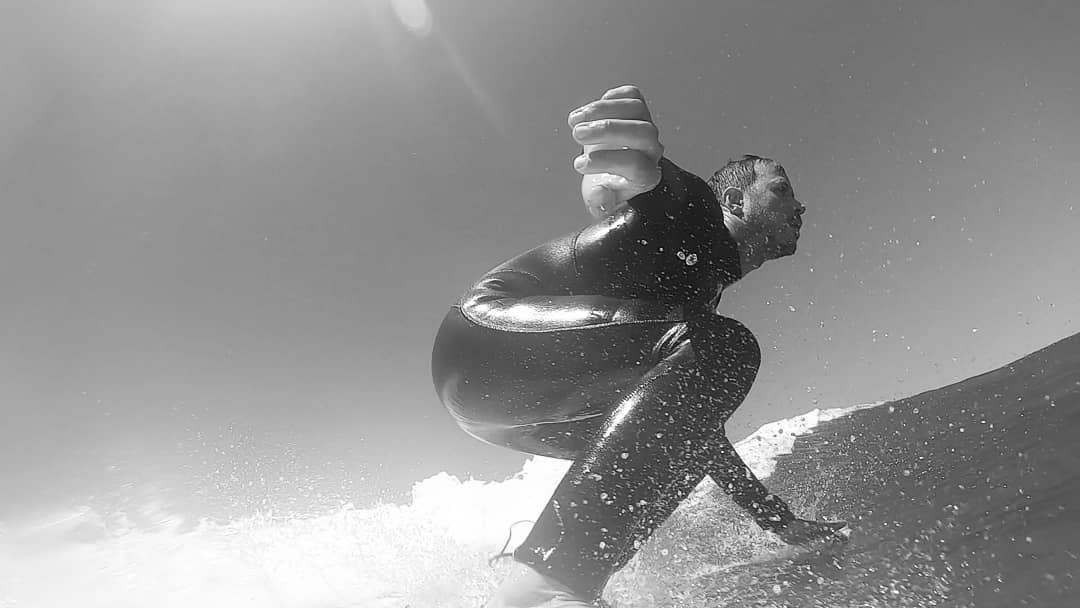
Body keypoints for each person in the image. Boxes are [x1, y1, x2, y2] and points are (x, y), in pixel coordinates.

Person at [431, 85, 847, 607]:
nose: (799, 205)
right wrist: (636, 164)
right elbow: (661, 190)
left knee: (685, 426)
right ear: (736, 200)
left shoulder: (697, 306)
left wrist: (779, 523)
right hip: (487, 336)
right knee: (724, 349)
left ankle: (541, 581)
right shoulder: (695, 215)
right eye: (781, 189)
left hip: (508, 409)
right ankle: (548, 587)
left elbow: (694, 429)